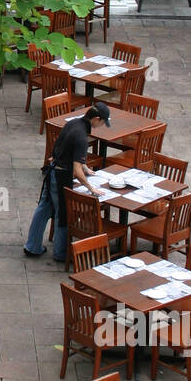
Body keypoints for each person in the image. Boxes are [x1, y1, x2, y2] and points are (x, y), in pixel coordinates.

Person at [23, 101, 111, 264]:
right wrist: (91, 188)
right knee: (63, 213)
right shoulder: (82, 137)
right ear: (96, 119)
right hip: (61, 176)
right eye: (103, 122)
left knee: (44, 208)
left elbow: (67, 151)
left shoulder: (73, 124)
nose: (102, 125)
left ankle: (32, 246)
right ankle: (60, 253)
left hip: (52, 171)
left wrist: (84, 166)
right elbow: (76, 171)